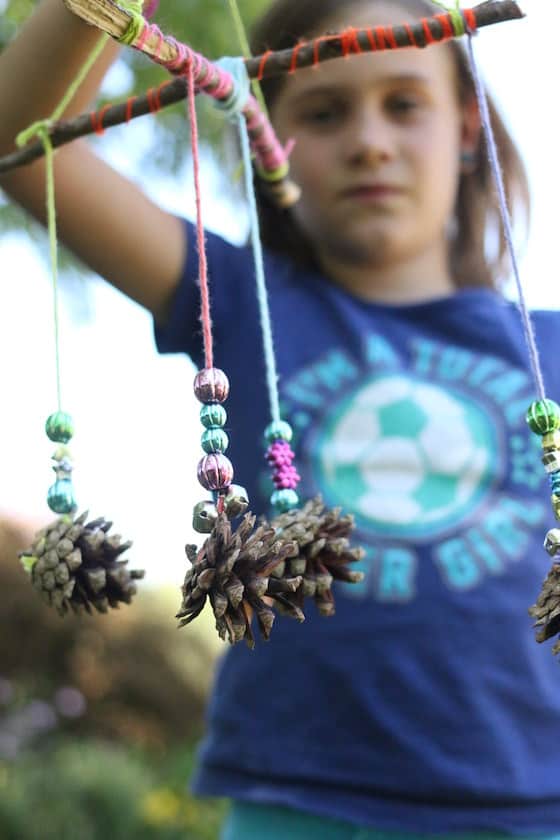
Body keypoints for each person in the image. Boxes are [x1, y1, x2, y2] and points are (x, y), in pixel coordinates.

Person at [1, 1, 559, 838]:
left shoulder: (547, 344)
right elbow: (22, 144)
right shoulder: (237, 300)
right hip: (297, 806)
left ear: (469, 126)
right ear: (270, 141)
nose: (370, 141)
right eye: (325, 111)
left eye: (403, 103)